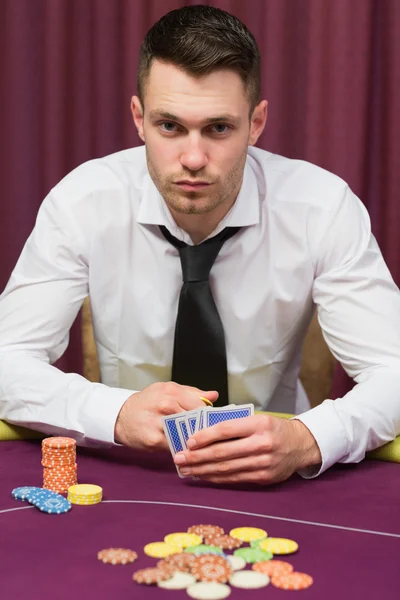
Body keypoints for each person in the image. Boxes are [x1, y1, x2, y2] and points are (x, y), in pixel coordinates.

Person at [1, 5, 400, 486]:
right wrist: (117, 411)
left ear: (255, 123)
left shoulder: (323, 207)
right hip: (125, 468)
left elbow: (393, 370)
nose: (193, 158)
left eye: (218, 128)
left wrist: (309, 439)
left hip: (275, 474)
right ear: (138, 118)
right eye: (170, 126)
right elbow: (7, 359)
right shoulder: (81, 201)